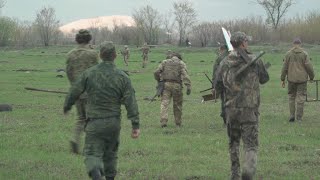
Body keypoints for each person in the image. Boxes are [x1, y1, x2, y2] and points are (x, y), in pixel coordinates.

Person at [63, 41, 140, 180]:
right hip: (113, 123)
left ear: (100, 55)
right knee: (111, 155)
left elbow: (74, 91)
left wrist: (67, 106)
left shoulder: (89, 74)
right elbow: (131, 101)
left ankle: (96, 174)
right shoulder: (122, 76)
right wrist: (135, 124)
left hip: (94, 122)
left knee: (92, 153)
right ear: (115, 56)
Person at [215, 32, 269, 180]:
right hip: (249, 110)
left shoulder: (224, 62)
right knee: (251, 144)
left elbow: (217, 86)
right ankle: (248, 171)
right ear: (243, 43)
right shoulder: (254, 60)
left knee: (233, 143)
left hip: (231, 110)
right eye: (247, 41)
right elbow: (264, 79)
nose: (248, 43)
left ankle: (234, 174)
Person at [66, 29, 99, 154]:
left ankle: (75, 139)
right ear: (89, 39)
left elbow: (69, 72)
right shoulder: (92, 54)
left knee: (81, 118)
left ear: (77, 39)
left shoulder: (70, 54)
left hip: (76, 92)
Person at [280, 38, 314, 122]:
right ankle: (299, 118)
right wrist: (311, 77)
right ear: (300, 44)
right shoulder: (304, 54)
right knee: (301, 98)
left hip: (291, 80)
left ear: (293, 44)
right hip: (302, 80)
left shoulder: (288, 54)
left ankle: (292, 115)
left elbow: (284, 67)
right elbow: (309, 67)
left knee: (291, 97)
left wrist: (282, 79)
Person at [154, 52, 191, 127]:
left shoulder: (164, 62)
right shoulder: (181, 63)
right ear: (179, 57)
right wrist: (188, 86)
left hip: (166, 85)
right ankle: (178, 123)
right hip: (177, 86)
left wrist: (159, 80)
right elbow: (185, 75)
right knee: (177, 105)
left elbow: (156, 72)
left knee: (164, 103)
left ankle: (163, 121)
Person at [212, 44, 229, 126]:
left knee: (224, 101)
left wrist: (214, 86)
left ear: (222, 49)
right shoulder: (235, 55)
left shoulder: (219, 59)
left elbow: (215, 73)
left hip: (222, 83)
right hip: (235, 84)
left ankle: (225, 120)